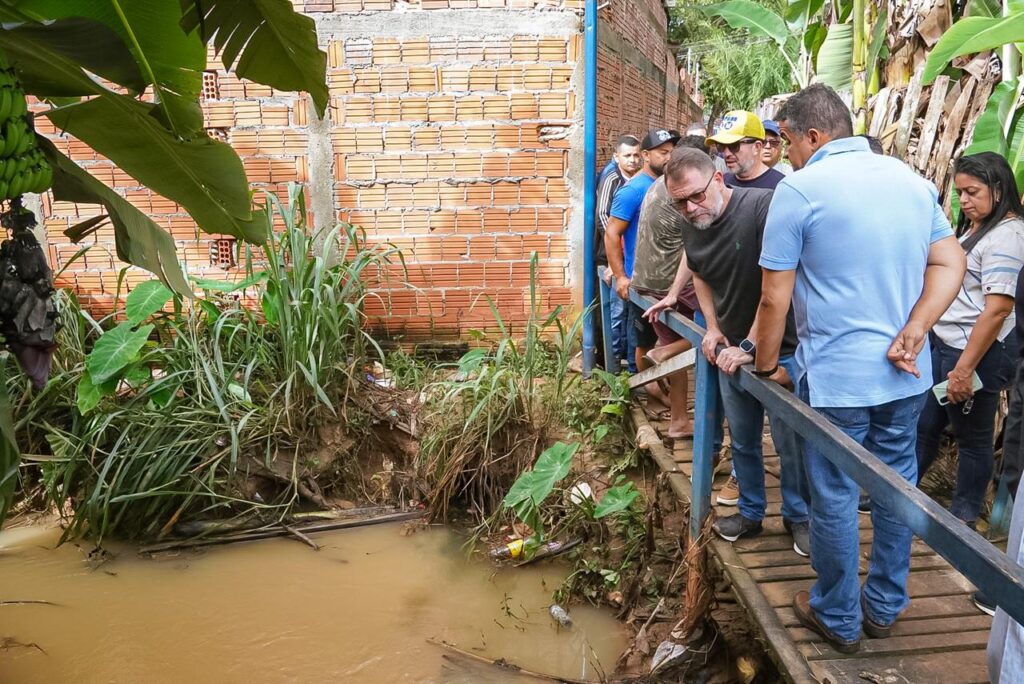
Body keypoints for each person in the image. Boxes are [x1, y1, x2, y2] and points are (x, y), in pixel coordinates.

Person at [752, 84, 965, 654]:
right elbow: (951, 260)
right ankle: (885, 606)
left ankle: (838, 614)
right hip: (905, 374)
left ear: (814, 136)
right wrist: (917, 327)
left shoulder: (799, 190)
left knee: (837, 493)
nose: (787, 153)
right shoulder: (912, 183)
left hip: (838, 381)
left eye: (789, 141)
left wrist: (767, 366)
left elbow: (775, 297)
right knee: (896, 488)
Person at [661, 146, 811, 555]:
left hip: (779, 346)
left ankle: (799, 517)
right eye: (680, 202)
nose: (691, 208)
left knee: (789, 440)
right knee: (742, 437)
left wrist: (751, 345)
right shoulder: (692, 221)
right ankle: (751, 512)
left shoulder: (763, 207)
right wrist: (711, 328)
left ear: (718, 179)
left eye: (696, 196)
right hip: (730, 348)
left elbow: (776, 288)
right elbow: (700, 271)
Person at [917, 153, 1024, 528]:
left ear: (998, 189)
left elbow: (996, 309)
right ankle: (899, 492)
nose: (963, 200)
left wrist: (964, 369)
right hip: (949, 346)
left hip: (975, 353)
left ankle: (962, 518)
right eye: (960, 192)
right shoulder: (978, 228)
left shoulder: (1007, 236)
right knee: (927, 425)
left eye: (972, 191)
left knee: (973, 438)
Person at [630, 135, 708, 440]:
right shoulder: (685, 188)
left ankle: (678, 420)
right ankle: (664, 352)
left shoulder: (660, 181)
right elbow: (700, 241)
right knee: (727, 329)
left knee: (682, 346)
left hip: (646, 278)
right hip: (668, 279)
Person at [605, 128, 679, 381]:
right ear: (646, 155)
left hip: (670, 282)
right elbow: (612, 233)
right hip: (642, 283)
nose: (669, 157)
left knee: (675, 339)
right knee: (644, 342)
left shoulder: (669, 183)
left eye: (672, 152)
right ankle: (648, 390)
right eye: (663, 153)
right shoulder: (633, 190)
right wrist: (619, 275)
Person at [597, 135, 642, 370]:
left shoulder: (642, 180)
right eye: (627, 156)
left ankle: (632, 363)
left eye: (636, 155)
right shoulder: (612, 179)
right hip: (614, 256)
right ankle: (613, 365)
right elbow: (603, 216)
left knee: (630, 313)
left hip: (631, 256)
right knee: (617, 311)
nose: (633, 160)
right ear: (617, 157)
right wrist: (618, 251)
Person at [707, 111, 786, 190]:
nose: (726, 153)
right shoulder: (722, 182)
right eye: (721, 146)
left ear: (756, 147)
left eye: (734, 146)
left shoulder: (780, 187)